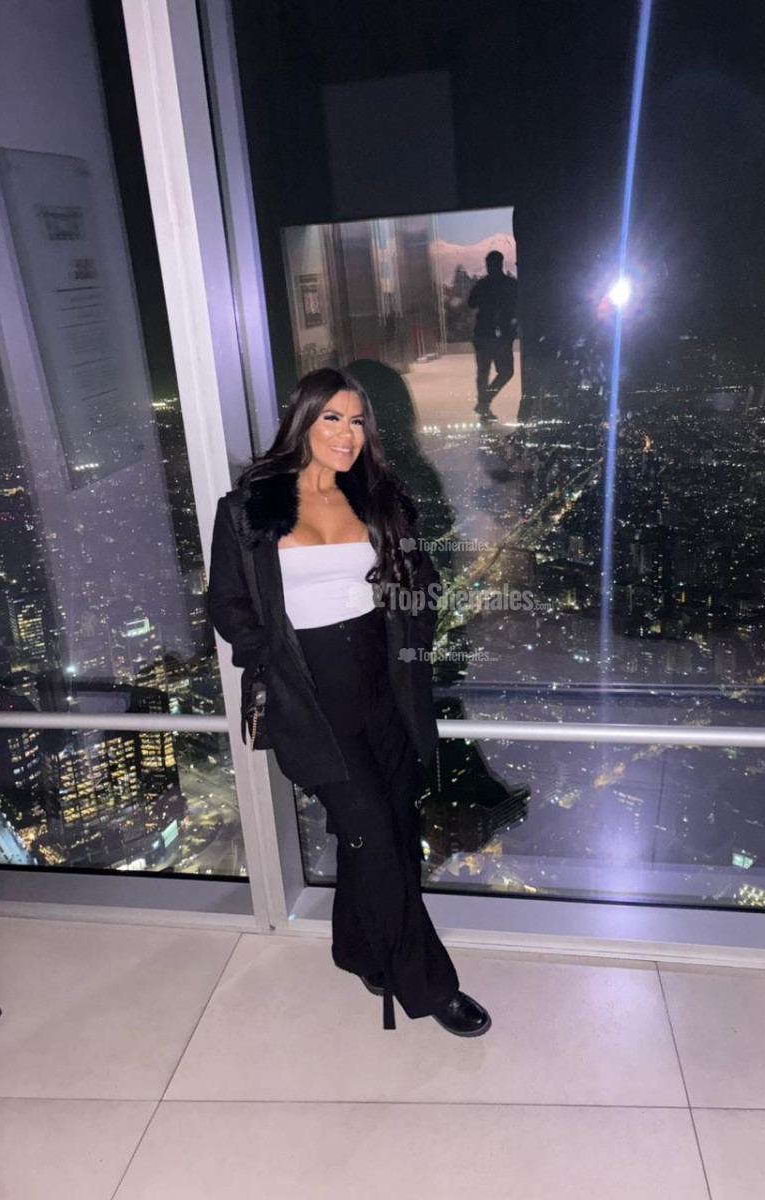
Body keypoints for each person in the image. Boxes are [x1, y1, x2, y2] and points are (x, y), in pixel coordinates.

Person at [207, 367, 491, 1037]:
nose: (346, 433)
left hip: (384, 686)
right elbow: (226, 601)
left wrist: (414, 637)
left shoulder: (378, 497)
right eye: (331, 418)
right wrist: (267, 656)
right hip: (310, 697)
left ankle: (357, 948)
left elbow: (421, 580)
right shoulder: (248, 509)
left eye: (357, 420)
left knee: (391, 832)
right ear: (302, 422)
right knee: (376, 837)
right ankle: (430, 987)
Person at [467, 249, 519, 419]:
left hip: (483, 334)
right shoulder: (510, 285)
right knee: (505, 372)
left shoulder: (483, 285)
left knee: (483, 372)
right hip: (501, 335)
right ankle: (484, 402)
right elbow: (518, 306)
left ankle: (484, 403)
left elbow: (471, 303)